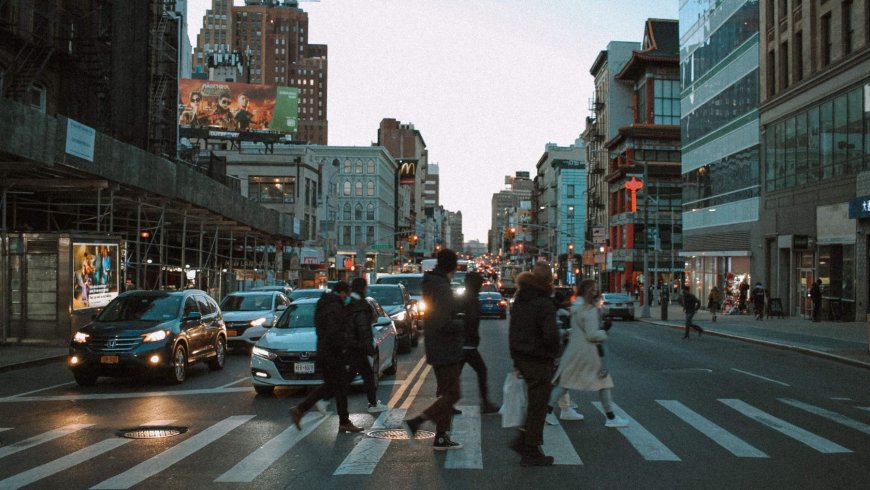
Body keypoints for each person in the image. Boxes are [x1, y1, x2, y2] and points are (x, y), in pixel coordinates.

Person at [404, 248, 465, 451]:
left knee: (446, 393)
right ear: (453, 266)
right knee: (453, 394)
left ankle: (441, 436)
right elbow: (443, 320)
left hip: (436, 345)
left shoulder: (432, 283)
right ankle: (417, 422)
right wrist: (461, 324)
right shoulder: (442, 287)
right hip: (446, 347)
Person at [550, 280, 628, 430]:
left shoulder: (576, 307)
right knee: (604, 383)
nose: (597, 292)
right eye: (594, 290)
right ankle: (611, 417)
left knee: (565, 382)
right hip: (589, 352)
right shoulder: (590, 309)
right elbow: (592, 335)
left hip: (574, 351)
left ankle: (547, 411)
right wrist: (604, 332)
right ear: (589, 292)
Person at [290, 281, 363, 433]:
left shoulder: (324, 303)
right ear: (341, 292)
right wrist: (343, 348)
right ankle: (343, 421)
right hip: (333, 352)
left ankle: (301, 409)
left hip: (324, 350)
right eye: (347, 294)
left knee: (331, 385)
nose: (347, 298)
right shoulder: (334, 307)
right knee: (340, 387)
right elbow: (334, 331)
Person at [508, 261, 560, 467]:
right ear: (548, 280)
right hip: (539, 358)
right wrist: (554, 352)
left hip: (523, 356)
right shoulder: (544, 303)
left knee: (534, 403)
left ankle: (524, 441)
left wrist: (516, 359)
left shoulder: (520, 298)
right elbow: (550, 334)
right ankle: (530, 449)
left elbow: (513, 331)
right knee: (538, 405)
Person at [460, 271, 499, 414]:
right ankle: (485, 403)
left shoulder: (465, 298)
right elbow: (470, 321)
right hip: (467, 344)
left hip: (464, 343)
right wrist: (472, 337)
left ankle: (446, 401)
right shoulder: (471, 300)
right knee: (481, 370)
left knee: (455, 374)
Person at [346, 278, 387, 414]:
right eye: (366, 287)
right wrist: (369, 347)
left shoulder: (350, 302)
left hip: (354, 345)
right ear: (362, 288)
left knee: (366, 375)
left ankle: (373, 403)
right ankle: (324, 397)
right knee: (353, 376)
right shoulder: (360, 305)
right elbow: (363, 328)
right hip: (358, 347)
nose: (366, 290)